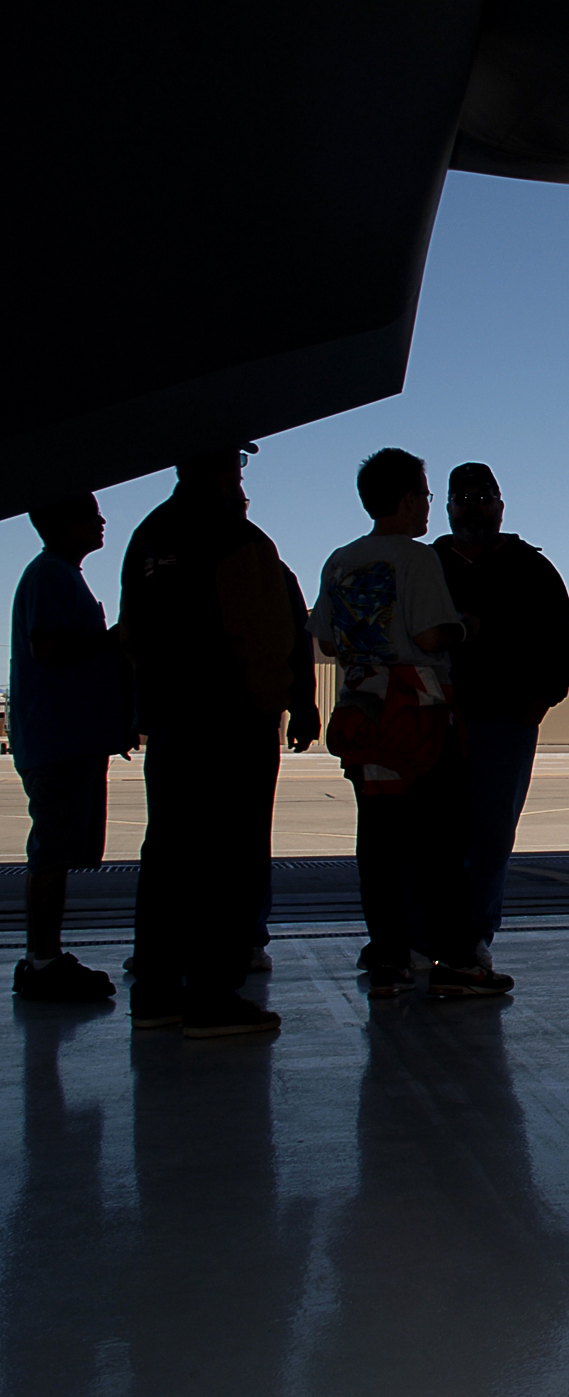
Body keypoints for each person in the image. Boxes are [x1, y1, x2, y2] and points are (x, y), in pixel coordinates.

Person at [310, 447, 511, 999]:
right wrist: (466, 629)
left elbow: (326, 639)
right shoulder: (418, 560)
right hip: (418, 720)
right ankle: (460, 959)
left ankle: (390, 957)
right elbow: (428, 636)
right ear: (406, 499)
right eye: (424, 495)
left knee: (377, 845)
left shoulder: (339, 561)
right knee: (439, 845)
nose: (427, 506)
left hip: (364, 717)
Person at [120, 444, 295, 1036]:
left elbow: (133, 633)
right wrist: (270, 704)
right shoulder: (237, 539)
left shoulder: (146, 537)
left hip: (171, 722)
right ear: (229, 469)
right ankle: (214, 996)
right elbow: (263, 637)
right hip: (229, 722)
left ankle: (156, 990)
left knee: (167, 852)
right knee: (231, 856)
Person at [434, 462, 569, 970]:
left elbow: (563, 645)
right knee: (433, 834)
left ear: (500, 505)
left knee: (492, 835)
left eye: (482, 497)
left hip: (504, 725)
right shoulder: (428, 564)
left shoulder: (531, 569)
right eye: (463, 498)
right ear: (446, 506)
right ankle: (423, 935)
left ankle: (475, 936)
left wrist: (538, 706)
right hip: (434, 724)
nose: (472, 507)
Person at [7, 494, 129, 1002]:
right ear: (62, 524)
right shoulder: (51, 575)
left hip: (67, 737)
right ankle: (42, 960)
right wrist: (114, 640)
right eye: (89, 515)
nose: (101, 522)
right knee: (52, 850)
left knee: (57, 846)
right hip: (56, 739)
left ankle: (46, 956)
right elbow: (49, 647)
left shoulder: (61, 575)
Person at [251, 560, 324, 972]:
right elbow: (297, 640)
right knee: (248, 833)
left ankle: (163, 946)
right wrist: (301, 705)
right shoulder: (264, 561)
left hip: (183, 721)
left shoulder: (155, 545)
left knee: (174, 836)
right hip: (248, 716)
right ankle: (245, 938)